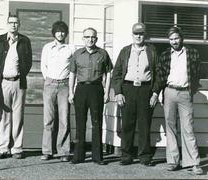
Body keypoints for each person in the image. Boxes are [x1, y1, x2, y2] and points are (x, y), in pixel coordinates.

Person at [157, 26, 203, 175]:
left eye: (176, 38)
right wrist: (157, 92)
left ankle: (194, 163)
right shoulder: (165, 55)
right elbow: (160, 75)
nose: (174, 41)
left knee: (187, 127)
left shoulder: (192, 53)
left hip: (185, 93)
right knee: (170, 127)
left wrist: (192, 88)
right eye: (171, 39)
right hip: (169, 91)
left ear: (181, 38)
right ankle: (173, 161)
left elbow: (197, 72)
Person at [112, 23, 159, 166]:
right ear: (132, 35)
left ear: (145, 35)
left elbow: (158, 74)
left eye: (141, 34)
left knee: (145, 123)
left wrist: (155, 93)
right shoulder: (125, 51)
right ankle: (126, 155)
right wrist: (118, 92)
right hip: (128, 89)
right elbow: (117, 74)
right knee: (127, 123)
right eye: (136, 34)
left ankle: (145, 156)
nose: (139, 36)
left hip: (146, 90)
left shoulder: (151, 51)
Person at [68, 27, 113, 165]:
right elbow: (72, 74)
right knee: (80, 123)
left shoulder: (103, 54)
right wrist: (71, 91)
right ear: (83, 39)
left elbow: (109, 73)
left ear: (96, 39)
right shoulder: (77, 54)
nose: (90, 39)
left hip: (96, 89)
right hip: (81, 89)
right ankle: (78, 156)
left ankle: (97, 157)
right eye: (87, 37)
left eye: (92, 37)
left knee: (96, 122)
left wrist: (106, 91)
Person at [0, 15, 32, 159]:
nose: (13, 25)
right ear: (7, 24)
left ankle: (17, 148)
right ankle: (3, 148)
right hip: (3, 83)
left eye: (16, 23)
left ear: (19, 24)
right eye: (11, 23)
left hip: (18, 83)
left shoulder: (24, 41)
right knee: (4, 116)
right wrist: (2, 76)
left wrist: (20, 75)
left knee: (18, 116)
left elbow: (28, 62)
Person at [40, 21, 74, 162]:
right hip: (50, 84)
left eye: (63, 31)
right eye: (58, 31)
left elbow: (73, 70)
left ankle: (63, 151)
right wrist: (49, 80)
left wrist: (71, 87)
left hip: (64, 85)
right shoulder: (48, 48)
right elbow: (44, 66)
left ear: (66, 33)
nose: (60, 34)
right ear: (54, 33)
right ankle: (47, 151)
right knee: (48, 119)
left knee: (64, 119)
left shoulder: (70, 48)